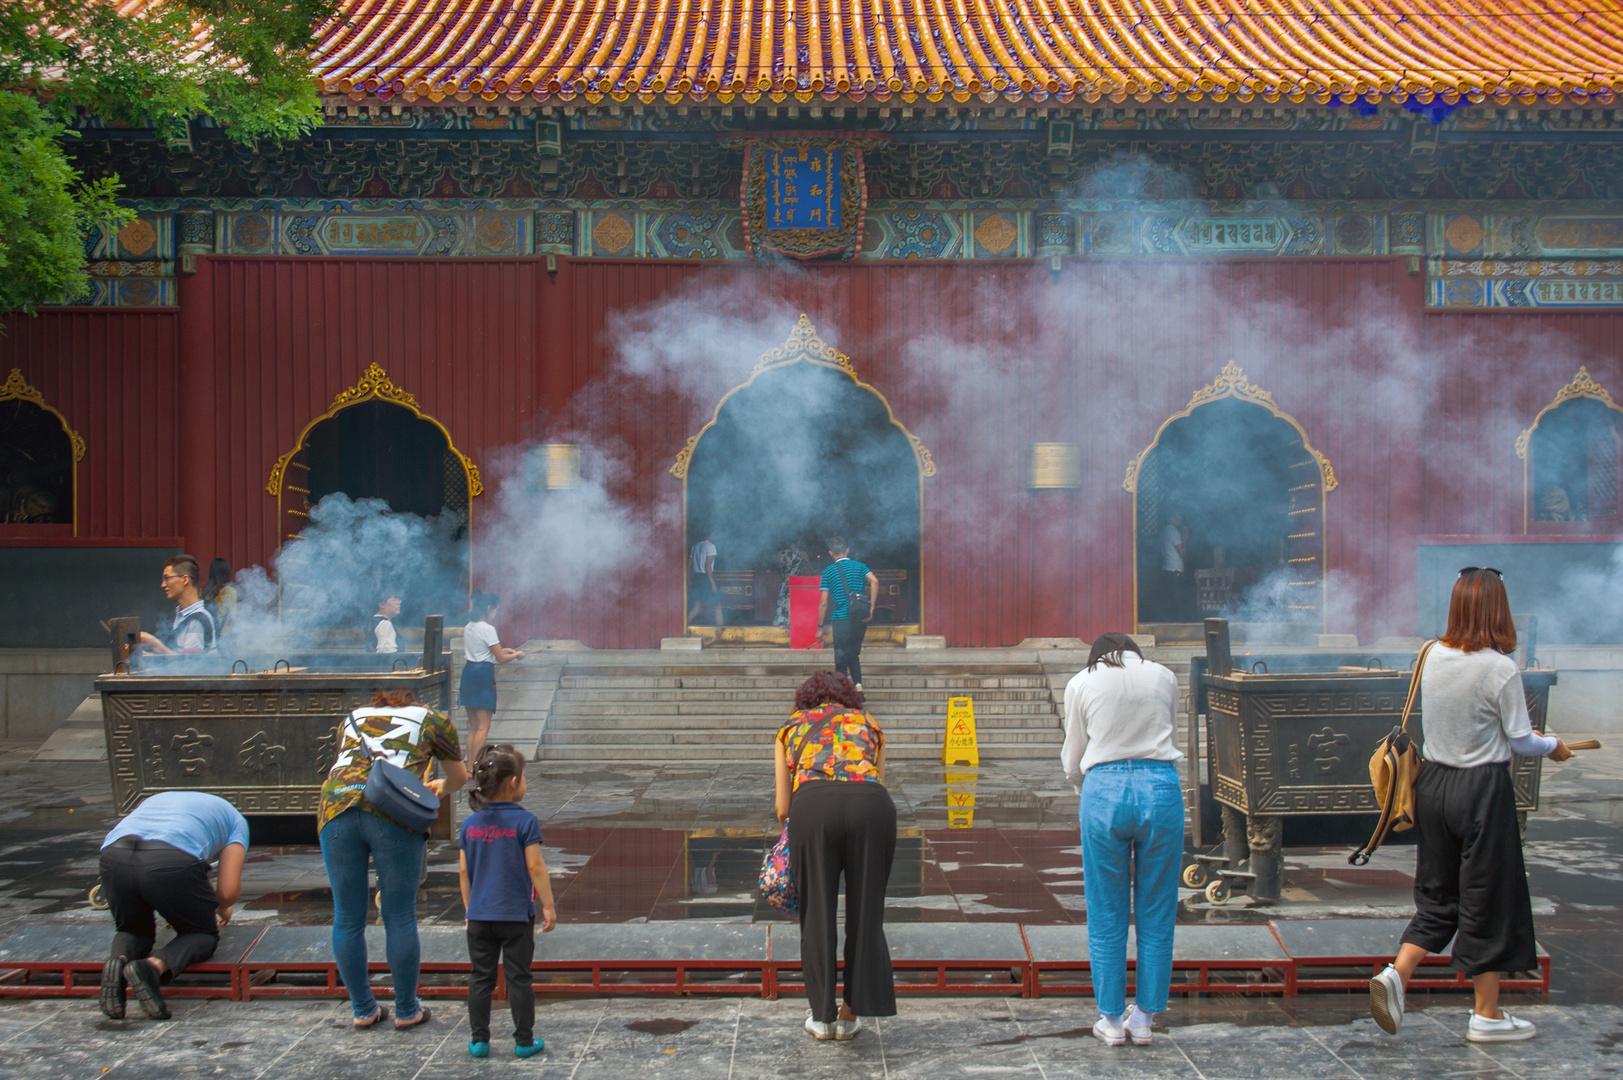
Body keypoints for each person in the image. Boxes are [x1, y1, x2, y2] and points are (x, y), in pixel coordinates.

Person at [1369, 568, 1573, 1043]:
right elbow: (1521, 742)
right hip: (1481, 790)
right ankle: (1486, 1015)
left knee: (1439, 893)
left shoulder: (1431, 653)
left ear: (1457, 605)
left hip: (1434, 786)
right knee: (1489, 899)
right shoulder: (1500, 668)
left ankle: (1397, 973)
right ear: (1499, 609)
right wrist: (1555, 745)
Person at [1060, 632, 1184, 1046]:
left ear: (1098, 656)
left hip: (1104, 789)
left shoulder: (1082, 680)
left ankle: (1111, 1020)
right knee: (1158, 908)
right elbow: (1173, 737)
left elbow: (1073, 753)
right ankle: (1145, 1018)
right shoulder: (1164, 676)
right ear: (1136, 652)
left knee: (1106, 909)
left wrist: (1085, 786)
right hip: (1161, 787)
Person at [319, 688, 466, 1030]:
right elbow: (458, 777)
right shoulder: (434, 719)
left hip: (335, 809)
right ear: (413, 702)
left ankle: (362, 1009)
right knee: (399, 914)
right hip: (391, 812)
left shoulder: (351, 719)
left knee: (346, 917)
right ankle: (405, 1009)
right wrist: (439, 788)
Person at [774, 670, 895, 1041]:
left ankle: (821, 1017)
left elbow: (783, 807)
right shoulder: (870, 724)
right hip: (871, 807)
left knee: (817, 914)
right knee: (866, 913)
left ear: (806, 697)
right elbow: (878, 780)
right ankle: (850, 1014)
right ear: (849, 698)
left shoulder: (790, 728)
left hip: (814, 809)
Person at [97, 791, 248, 1021]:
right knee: (201, 934)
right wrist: (221, 906)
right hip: (170, 860)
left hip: (114, 855)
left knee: (133, 930)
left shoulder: (157, 800)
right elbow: (227, 892)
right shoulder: (237, 821)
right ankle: (150, 968)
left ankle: (118, 962)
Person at [460, 744, 557, 1060]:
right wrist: (549, 905)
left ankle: (479, 1041)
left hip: (479, 916)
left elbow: (464, 871)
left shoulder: (470, 825)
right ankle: (524, 1041)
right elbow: (536, 867)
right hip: (515, 916)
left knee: (481, 977)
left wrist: (468, 909)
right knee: (519, 978)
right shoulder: (526, 822)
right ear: (514, 782)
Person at [462, 591, 526, 762]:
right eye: (495, 610)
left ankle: (469, 767)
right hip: (482, 676)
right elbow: (501, 658)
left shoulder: (469, 626)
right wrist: (517, 654)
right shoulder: (488, 629)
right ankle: (476, 765)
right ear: (489, 608)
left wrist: (504, 651)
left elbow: (485, 651)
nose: (496, 613)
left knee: (473, 727)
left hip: (468, 673)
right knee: (483, 726)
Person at [818, 538, 877, 691]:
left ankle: (843, 693)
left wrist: (820, 626)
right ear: (847, 550)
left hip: (841, 619)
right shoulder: (860, 566)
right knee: (853, 654)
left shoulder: (829, 571)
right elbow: (875, 581)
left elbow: (823, 602)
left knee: (841, 657)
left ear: (831, 553)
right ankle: (858, 686)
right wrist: (871, 608)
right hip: (859, 618)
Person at [138, 554, 218, 656]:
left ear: (185, 579)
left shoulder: (199, 619)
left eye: (167, 578)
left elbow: (190, 665)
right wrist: (142, 655)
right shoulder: (180, 615)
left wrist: (154, 643)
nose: (163, 585)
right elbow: (173, 658)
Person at [687, 530, 721, 628]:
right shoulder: (711, 546)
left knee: (696, 607)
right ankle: (721, 631)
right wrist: (713, 583)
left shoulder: (695, 546)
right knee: (717, 605)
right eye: (714, 535)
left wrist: (690, 579)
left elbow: (689, 565)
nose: (715, 537)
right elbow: (708, 567)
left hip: (697, 578)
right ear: (710, 535)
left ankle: (683, 630)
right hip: (706, 578)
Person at [1159, 512, 1188, 622]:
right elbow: (1182, 552)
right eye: (1177, 516)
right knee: (1176, 600)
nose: (1180, 518)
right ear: (1171, 517)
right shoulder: (1174, 532)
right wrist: (1185, 539)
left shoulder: (1165, 531)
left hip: (1167, 568)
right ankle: (1176, 622)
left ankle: (1168, 620)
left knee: (1169, 598)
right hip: (1175, 570)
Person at [774, 540, 808, 627]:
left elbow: (779, 567)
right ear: (798, 542)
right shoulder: (803, 554)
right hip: (796, 583)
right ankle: (794, 621)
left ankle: (781, 620)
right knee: (795, 602)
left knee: (783, 601)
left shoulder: (780, 553)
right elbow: (808, 568)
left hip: (785, 582)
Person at [202, 558, 237, 639]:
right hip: (223, 635)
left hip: (207, 635)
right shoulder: (229, 591)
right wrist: (234, 639)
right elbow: (233, 617)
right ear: (227, 573)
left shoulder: (203, 592)